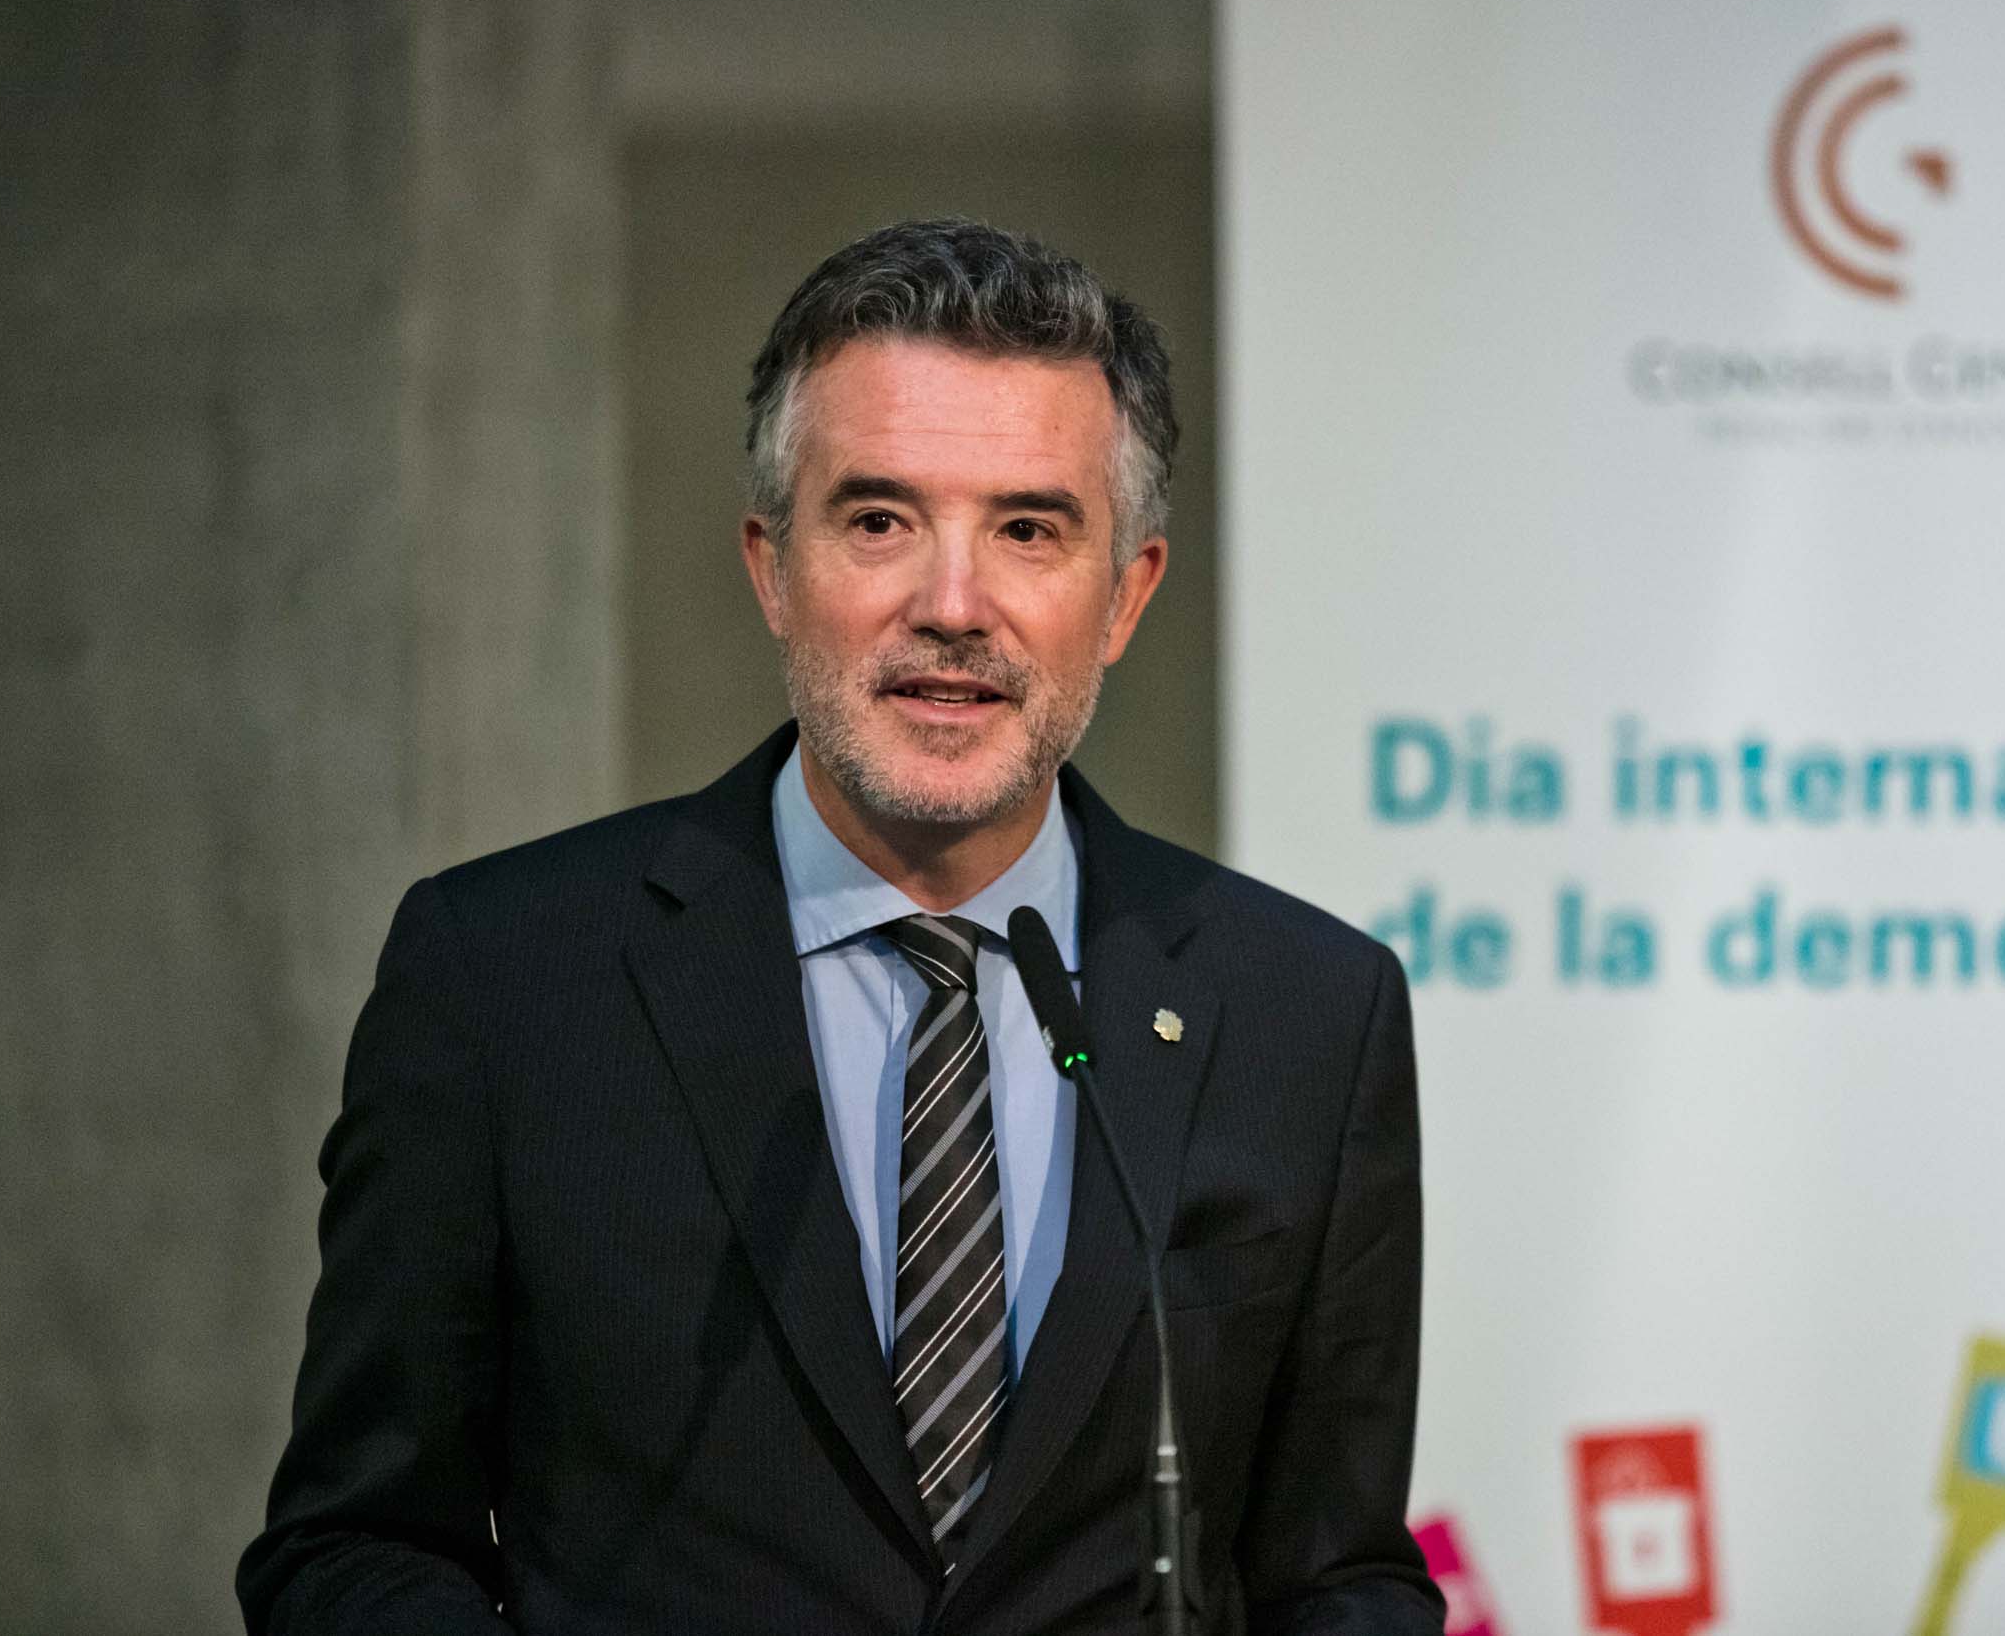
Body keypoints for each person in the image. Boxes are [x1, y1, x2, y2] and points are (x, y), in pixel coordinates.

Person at [239, 218, 1440, 1635]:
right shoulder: (502, 979)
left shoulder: (1309, 1014)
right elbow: (355, 1549)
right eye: (879, 521)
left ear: (1125, 595)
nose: (953, 606)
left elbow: (1340, 1578)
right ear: (771, 567)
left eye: (1029, 530)